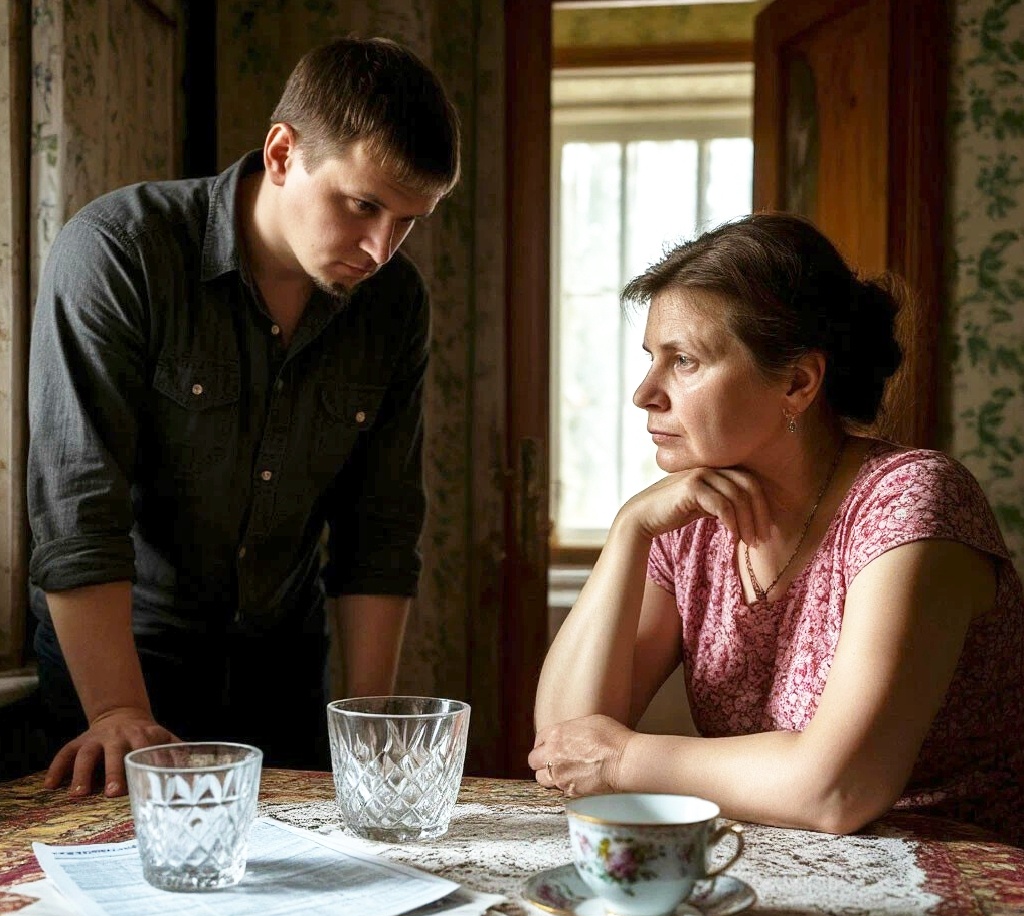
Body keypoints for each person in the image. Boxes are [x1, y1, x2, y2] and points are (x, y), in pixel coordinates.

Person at [27, 36, 461, 797]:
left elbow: (381, 527)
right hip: (119, 669)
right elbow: (76, 508)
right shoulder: (120, 251)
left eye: (407, 221)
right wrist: (118, 710)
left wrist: (367, 732)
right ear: (283, 153)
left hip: (284, 669)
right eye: (363, 205)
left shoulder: (394, 303)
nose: (380, 249)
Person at [530, 213, 1024, 846]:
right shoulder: (690, 520)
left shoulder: (911, 500)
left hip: (952, 870)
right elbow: (564, 746)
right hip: (776, 864)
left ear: (797, 383)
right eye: (652, 359)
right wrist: (629, 531)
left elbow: (838, 789)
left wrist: (625, 760)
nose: (645, 393)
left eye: (684, 361)